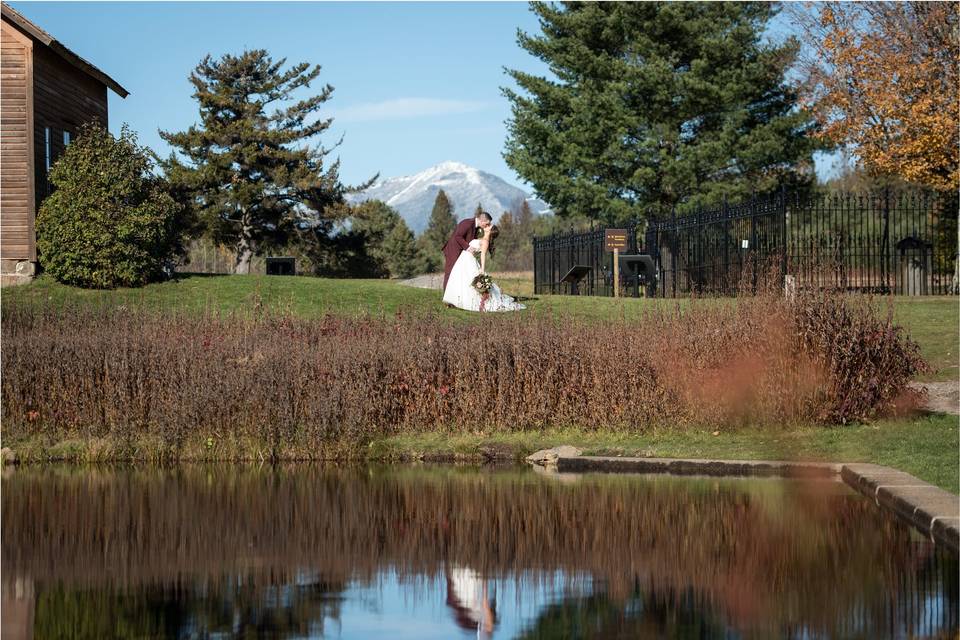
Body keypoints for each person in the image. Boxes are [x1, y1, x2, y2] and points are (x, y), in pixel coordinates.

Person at [442, 223, 526, 312]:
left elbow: (483, 256)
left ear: (490, 231)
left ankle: (469, 302)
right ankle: (455, 301)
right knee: (460, 279)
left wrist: (482, 269)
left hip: (468, 260)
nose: (487, 225)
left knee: (467, 281)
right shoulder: (482, 238)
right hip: (464, 259)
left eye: (489, 226)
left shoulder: (485, 241)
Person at [442, 210, 492, 291]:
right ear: (482, 220)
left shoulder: (476, 227)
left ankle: (455, 293)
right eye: (486, 224)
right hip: (453, 250)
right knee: (450, 272)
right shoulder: (467, 223)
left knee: (457, 273)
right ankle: (446, 295)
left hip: (462, 252)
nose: (487, 226)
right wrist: (468, 247)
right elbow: (458, 236)